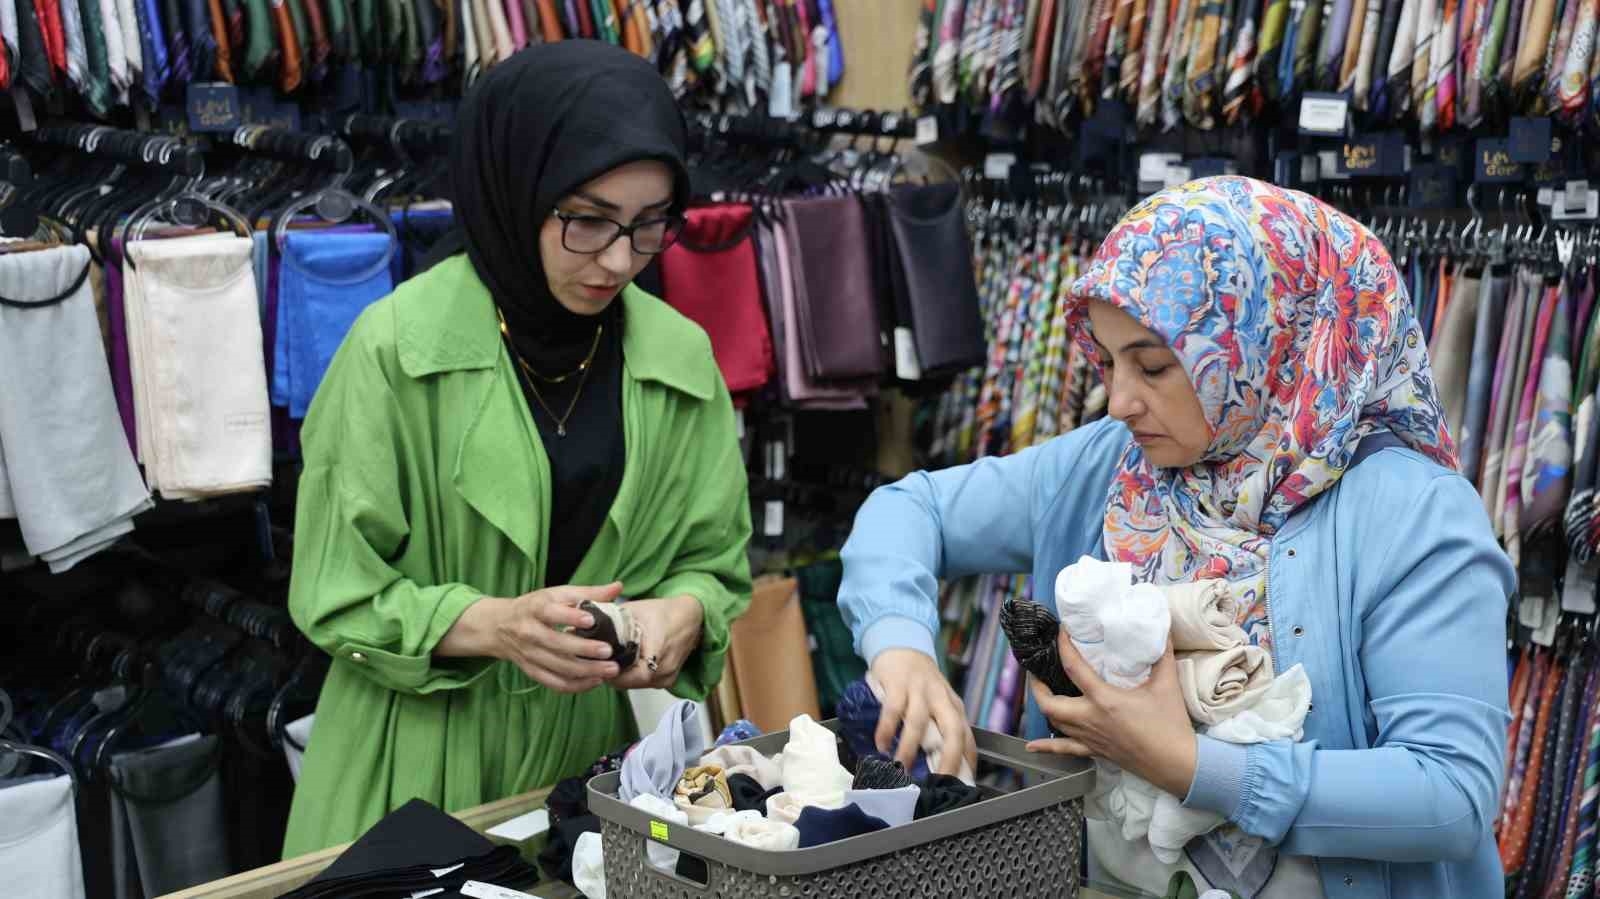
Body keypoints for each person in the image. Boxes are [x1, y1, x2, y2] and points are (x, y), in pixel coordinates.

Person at [838, 176, 1512, 898]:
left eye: (1155, 365)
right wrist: (901, 646)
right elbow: (910, 510)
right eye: (1107, 361)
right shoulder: (1110, 466)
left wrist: (1189, 765)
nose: (1119, 401)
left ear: (1267, 339)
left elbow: (1451, 793)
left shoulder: (1414, 515)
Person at [281, 41, 752, 857]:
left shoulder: (678, 359)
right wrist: (496, 624)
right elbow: (334, 589)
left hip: (596, 771)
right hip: (416, 765)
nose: (618, 259)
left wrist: (684, 613)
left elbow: (713, 564)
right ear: (514, 190)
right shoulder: (396, 352)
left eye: (649, 225)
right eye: (587, 220)